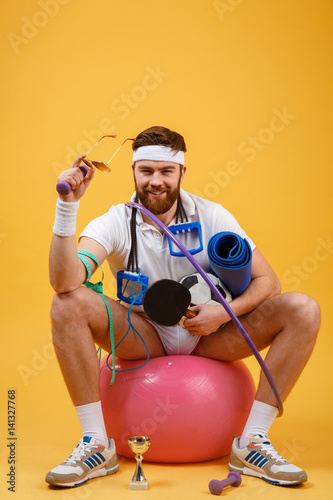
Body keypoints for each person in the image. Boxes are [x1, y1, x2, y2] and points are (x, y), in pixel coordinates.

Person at [46, 126, 320, 488]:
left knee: (304, 308)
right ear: (133, 172)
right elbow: (65, 281)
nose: (155, 181)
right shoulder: (114, 221)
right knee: (67, 303)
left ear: (181, 173)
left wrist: (224, 313)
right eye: (146, 171)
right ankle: (97, 444)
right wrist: (68, 206)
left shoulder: (212, 215)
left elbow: (269, 282)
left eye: (165, 171)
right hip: (143, 336)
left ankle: (253, 441)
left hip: (213, 336)